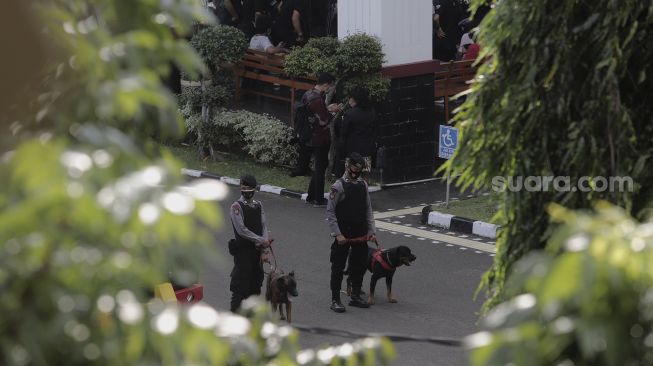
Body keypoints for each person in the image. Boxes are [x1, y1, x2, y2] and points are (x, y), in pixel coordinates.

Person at [326, 153, 376, 312]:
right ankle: (335, 299)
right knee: (338, 267)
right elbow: (330, 212)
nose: (355, 174)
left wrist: (371, 231)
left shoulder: (363, 185)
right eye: (353, 170)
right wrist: (337, 234)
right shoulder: (338, 186)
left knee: (359, 266)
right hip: (343, 236)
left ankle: (355, 295)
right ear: (348, 167)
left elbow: (368, 209)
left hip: (360, 235)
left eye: (359, 171)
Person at [229, 174, 273, 312]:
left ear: (254, 189)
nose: (246, 191)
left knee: (256, 284)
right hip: (243, 252)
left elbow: (263, 226)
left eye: (249, 188)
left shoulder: (258, 205)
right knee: (240, 286)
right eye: (243, 188)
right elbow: (242, 230)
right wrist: (260, 240)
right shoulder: (236, 207)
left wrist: (265, 248)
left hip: (257, 252)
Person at [303, 73, 340, 207]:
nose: (330, 89)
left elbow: (316, 114)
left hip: (311, 136)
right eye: (330, 86)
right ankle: (318, 199)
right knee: (320, 167)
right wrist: (333, 111)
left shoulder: (308, 94)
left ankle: (311, 196)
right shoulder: (317, 100)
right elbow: (324, 120)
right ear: (325, 85)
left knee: (318, 167)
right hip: (319, 137)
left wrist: (326, 109)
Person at [336, 87, 376, 178]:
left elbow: (343, 132)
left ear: (355, 99)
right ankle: (364, 192)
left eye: (350, 97)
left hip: (352, 151)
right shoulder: (371, 111)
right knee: (364, 177)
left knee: (351, 178)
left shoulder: (349, 114)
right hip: (366, 149)